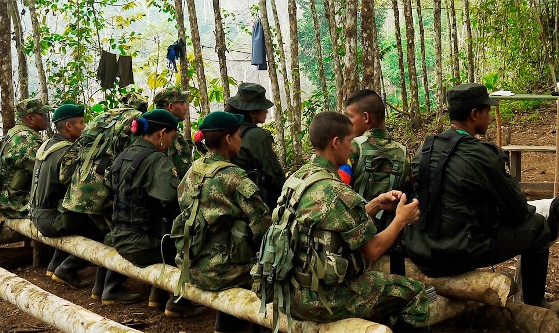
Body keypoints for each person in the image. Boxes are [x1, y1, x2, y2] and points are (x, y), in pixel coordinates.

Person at [403, 83, 559, 311]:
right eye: (487, 111)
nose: (490, 117)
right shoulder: (482, 155)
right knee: (537, 227)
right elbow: (517, 211)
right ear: (474, 114)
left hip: (420, 250)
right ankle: (536, 303)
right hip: (455, 253)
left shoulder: (424, 149)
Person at [286, 112, 429, 331]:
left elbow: (334, 220)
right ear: (336, 143)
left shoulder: (298, 179)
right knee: (414, 293)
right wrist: (401, 219)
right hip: (321, 301)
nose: (353, 149)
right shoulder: (339, 193)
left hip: (289, 290)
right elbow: (372, 251)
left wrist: (375, 205)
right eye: (349, 142)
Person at [171, 111, 272, 333]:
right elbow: (262, 225)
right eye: (238, 136)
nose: (240, 141)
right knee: (268, 276)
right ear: (228, 138)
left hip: (190, 264)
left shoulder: (193, 169)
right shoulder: (234, 176)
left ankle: (225, 327)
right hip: (219, 273)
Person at [109, 109, 203, 316]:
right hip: (144, 246)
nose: (171, 141)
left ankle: (157, 296)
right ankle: (179, 302)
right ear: (162, 133)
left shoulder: (123, 156)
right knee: (195, 247)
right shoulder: (157, 161)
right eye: (172, 135)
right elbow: (174, 201)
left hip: (118, 238)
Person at [61, 93, 148, 304]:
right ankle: (111, 288)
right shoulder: (135, 119)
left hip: (81, 181)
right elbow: (133, 153)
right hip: (101, 185)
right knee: (120, 234)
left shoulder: (105, 116)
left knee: (108, 234)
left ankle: (99, 287)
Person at [30, 104, 104, 287]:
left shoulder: (48, 144)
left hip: (37, 214)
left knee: (75, 216)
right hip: (51, 220)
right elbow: (78, 188)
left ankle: (55, 265)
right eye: (81, 123)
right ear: (69, 126)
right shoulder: (68, 153)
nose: (85, 127)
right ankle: (67, 269)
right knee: (102, 229)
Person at [346, 89, 412, 232]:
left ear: (365, 117)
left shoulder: (352, 148)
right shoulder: (402, 153)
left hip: (356, 237)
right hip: (389, 237)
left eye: (350, 117)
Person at [225, 82, 285, 210]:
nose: (267, 112)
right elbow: (275, 175)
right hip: (251, 205)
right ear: (252, 113)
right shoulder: (257, 136)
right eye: (264, 108)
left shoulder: (227, 130)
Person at [0, 98, 49, 218]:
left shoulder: (14, 132)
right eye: (43, 114)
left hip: (4, 200)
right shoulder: (26, 139)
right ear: (30, 118)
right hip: (14, 204)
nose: (46, 117)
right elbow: (45, 173)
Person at [153, 86, 193, 179]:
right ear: (171, 106)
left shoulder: (148, 130)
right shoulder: (169, 135)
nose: (186, 108)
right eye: (182, 103)